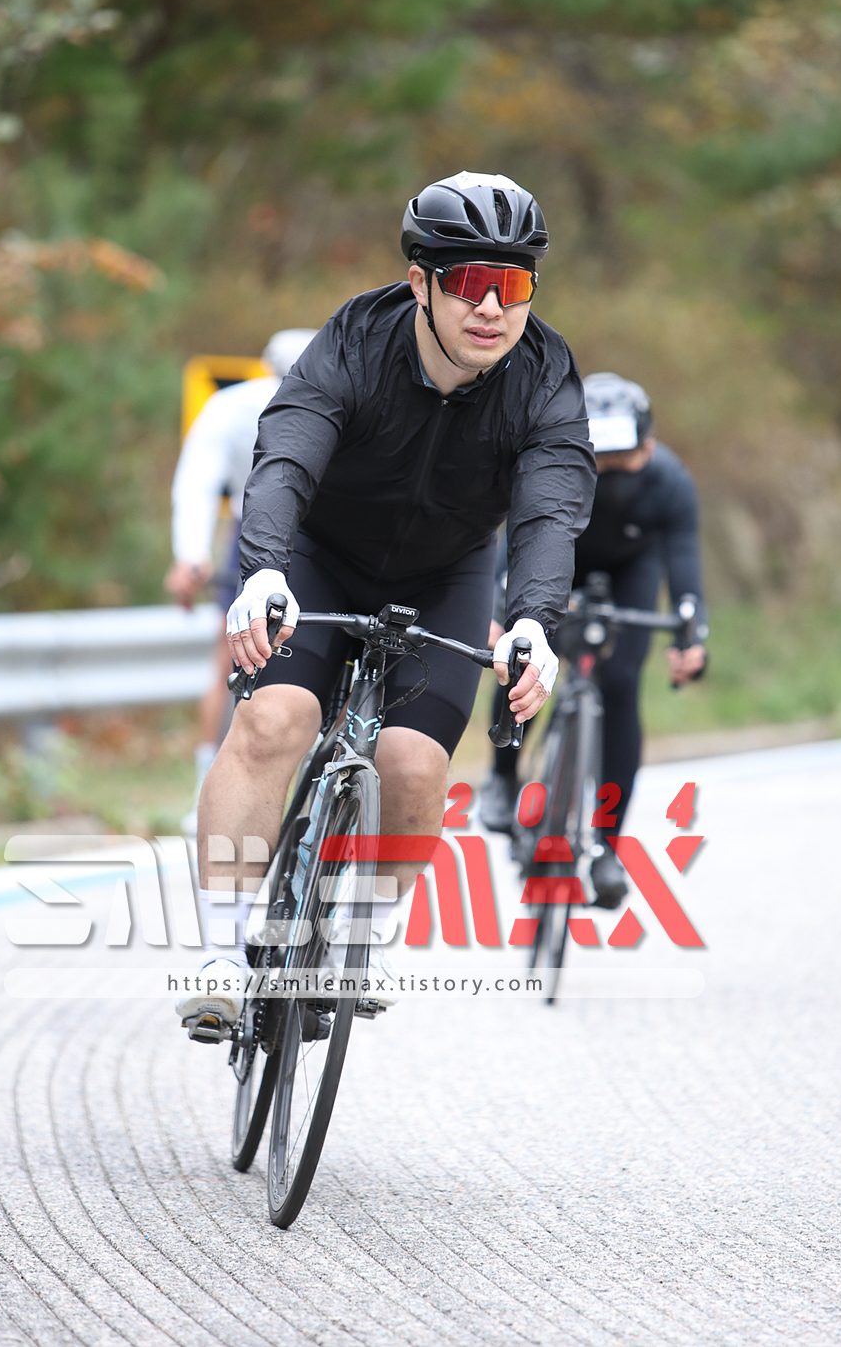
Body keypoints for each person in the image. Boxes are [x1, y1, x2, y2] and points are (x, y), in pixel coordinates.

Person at [175, 172, 597, 1032]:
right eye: (470, 282)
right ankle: (219, 954)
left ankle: (362, 932)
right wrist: (263, 571)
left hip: (446, 574)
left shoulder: (545, 375)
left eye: (514, 285)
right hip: (317, 557)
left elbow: (551, 508)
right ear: (420, 283)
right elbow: (285, 458)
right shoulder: (356, 341)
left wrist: (532, 620)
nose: (493, 308)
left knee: (414, 765)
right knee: (274, 720)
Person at [477, 372, 709, 907]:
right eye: (602, 462)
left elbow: (684, 566)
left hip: (630, 569)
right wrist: (495, 613)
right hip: (558, 556)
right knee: (521, 657)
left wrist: (691, 636)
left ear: (649, 447)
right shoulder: (552, 465)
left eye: (626, 461)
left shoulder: (671, 483)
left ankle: (607, 846)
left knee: (622, 684)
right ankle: (503, 776)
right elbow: (516, 543)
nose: (613, 475)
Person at [165, 329, 319, 836]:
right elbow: (199, 480)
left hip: (262, 530)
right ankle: (215, 786)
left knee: (228, 660)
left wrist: (191, 556)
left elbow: (197, 482)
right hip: (282, 531)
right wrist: (191, 555)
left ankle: (208, 790)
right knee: (239, 656)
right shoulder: (244, 406)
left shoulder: (233, 403)